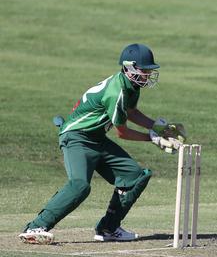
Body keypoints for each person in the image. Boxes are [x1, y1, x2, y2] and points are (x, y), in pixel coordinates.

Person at [19, 44, 185, 245]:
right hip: (76, 138)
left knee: (134, 176)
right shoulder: (117, 91)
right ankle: (35, 227)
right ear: (129, 68)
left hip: (96, 138)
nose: (148, 74)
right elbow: (122, 132)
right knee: (80, 185)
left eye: (150, 70)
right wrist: (152, 138)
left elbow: (130, 112)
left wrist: (157, 128)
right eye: (144, 70)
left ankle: (109, 228)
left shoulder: (131, 86)